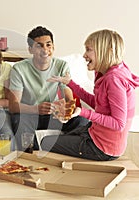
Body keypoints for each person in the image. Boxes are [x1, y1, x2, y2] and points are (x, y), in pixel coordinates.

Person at [43, 29, 139, 160]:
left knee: (44, 142)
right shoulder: (108, 73)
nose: (84, 55)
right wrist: (70, 83)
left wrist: (82, 112)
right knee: (55, 138)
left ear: (106, 50)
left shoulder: (114, 80)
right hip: (95, 134)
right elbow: (99, 104)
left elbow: (118, 123)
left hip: (103, 147)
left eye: (88, 49)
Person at [9, 26, 88, 150]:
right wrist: (36, 109)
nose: (45, 50)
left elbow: (68, 96)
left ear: (53, 47)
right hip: (29, 114)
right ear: (30, 49)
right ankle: (36, 150)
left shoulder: (61, 65)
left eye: (48, 45)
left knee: (82, 121)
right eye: (39, 46)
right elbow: (13, 106)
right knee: (18, 121)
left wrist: (65, 109)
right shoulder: (19, 69)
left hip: (53, 115)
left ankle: (57, 145)